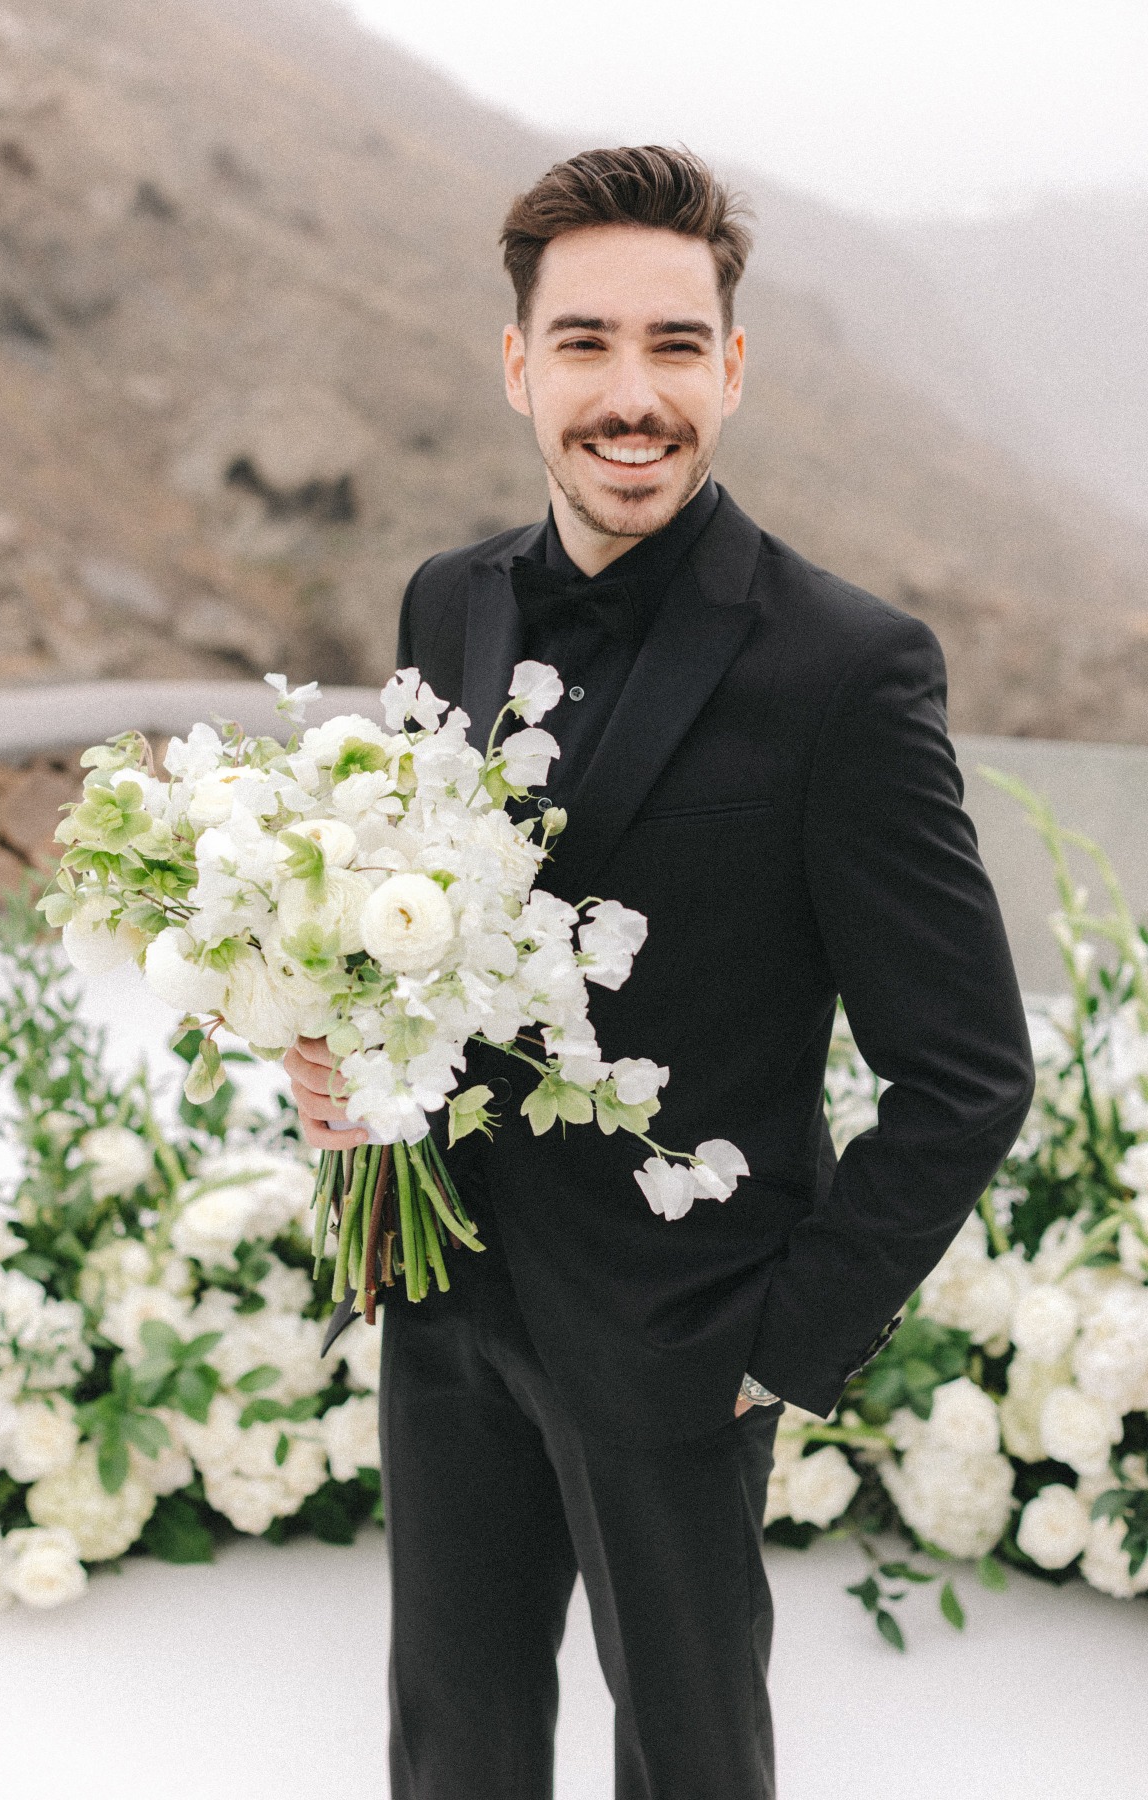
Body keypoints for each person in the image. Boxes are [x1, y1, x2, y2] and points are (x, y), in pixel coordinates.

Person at [283, 145, 1035, 1800]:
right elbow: (420, 928)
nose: (634, 394)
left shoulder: (851, 670)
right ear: (518, 365)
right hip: (448, 1297)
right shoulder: (446, 603)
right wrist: (338, 1061)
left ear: (735, 368)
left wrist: (782, 1346)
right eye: (589, 343)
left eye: (676, 347)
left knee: (693, 1765)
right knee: (450, 1747)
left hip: (687, 1348)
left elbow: (971, 1070)